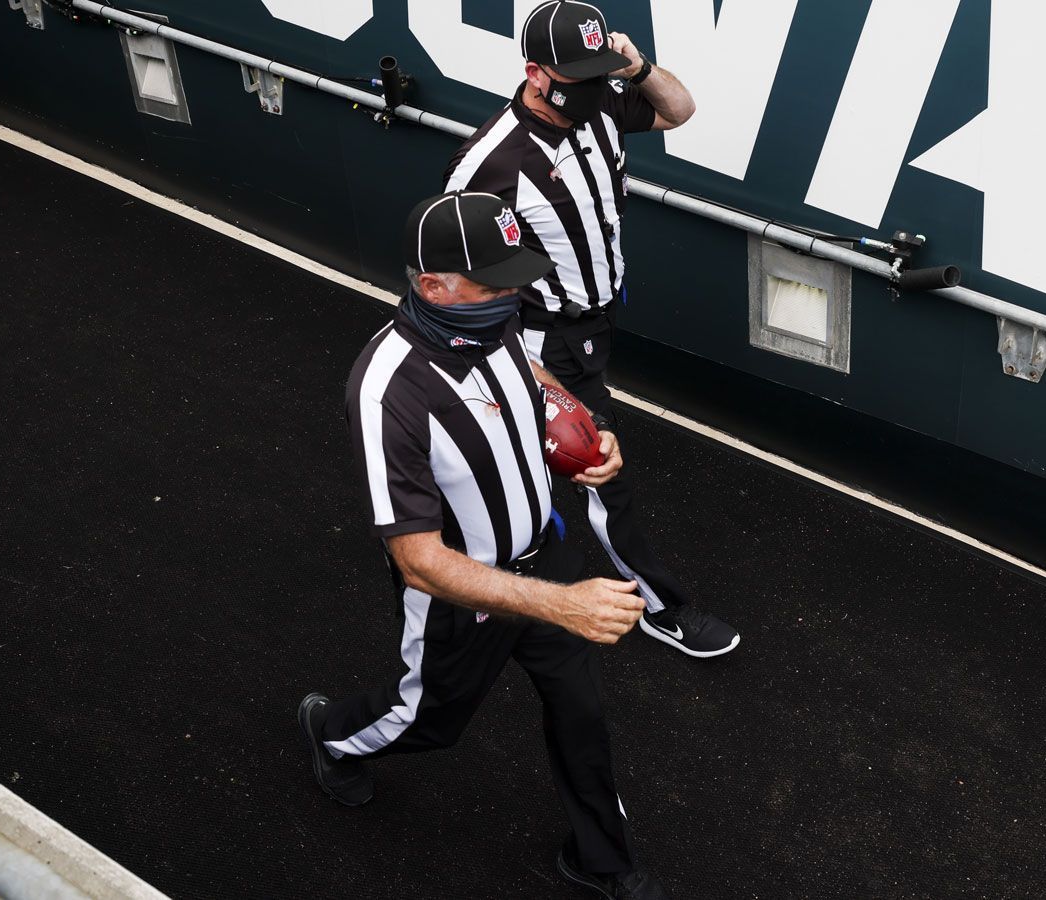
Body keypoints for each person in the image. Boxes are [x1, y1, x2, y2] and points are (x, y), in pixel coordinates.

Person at [299, 190, 672, 899]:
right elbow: (418, 560)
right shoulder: (387, 392)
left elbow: (534, 377)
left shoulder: (490, 318)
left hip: (547, 558)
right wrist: (561, 607)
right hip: (464, 596)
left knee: (581, 712)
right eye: (496, 280)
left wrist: (586, 430)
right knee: (428, 722)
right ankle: (329, 731)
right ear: (433, 285)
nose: (515, 291)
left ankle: (601, 860)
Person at [445, 0, 739, 658]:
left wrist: (638, 67)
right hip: (542, 341)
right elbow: (455, 285)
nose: (593, 88)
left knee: (530, 461)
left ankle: (484, 550)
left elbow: (677, 109)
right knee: (601, 473)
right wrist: (525, 368)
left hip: (594, 323)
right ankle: (662, 609)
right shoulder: (489, 167)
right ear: (534, 72)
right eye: (575, 77)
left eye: (598, 72)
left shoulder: (603, 101)